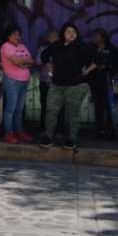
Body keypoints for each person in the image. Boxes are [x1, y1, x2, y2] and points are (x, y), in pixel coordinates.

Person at [39, 23, 97, 151]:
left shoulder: (82, 46)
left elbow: (98, 58)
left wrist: (87, 71)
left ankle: (71, 139)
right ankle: (48, 136)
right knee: (51, 111)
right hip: (57, 85)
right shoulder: (56, 45)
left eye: (74, 32)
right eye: (69, 32)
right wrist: (50, 67)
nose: (72, 34)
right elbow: (44, 55)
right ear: (63, 34)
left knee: (72, 113)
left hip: (75, 86)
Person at [0, 26, 34, 144]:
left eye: (18, 34)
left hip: (24, 80)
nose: (17, 37)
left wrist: (22, 63)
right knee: (11, 108)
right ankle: (8, 134)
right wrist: (23, 62)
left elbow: (31, 61)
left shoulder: (22, 46)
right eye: (14, 34)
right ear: (8, 35)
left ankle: (19, 132)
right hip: (12, 81)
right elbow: (17, 62)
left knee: (19, 109)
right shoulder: (5, 46)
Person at [91, 29, 118, 141]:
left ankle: (112, 131)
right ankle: (100, 130)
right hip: (96, 81)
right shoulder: (92, 48)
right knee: (98, 106)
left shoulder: (111, 48)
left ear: (103, 38)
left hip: (110, 81)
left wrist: (108, 67)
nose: (94, 38)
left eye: (96, 36)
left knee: (111, 106)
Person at [37, 30, 58, 135]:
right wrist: (49, 62)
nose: (54, 38)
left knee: (59, 107)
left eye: (56, 36)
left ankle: (58, 130)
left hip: (58, 82)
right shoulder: (43, 48)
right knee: (45, 106)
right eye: (51, 36)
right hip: (45, 81)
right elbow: (38, 61)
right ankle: (44, 129)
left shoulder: (62, 48)